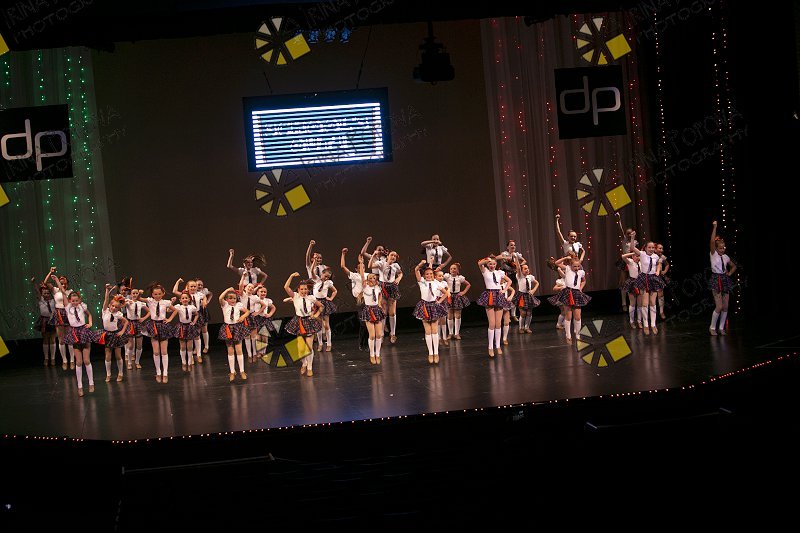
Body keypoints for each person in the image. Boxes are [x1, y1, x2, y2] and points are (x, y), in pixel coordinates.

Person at [283, 273, 324, 377]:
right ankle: (304, 363)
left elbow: (321, 306)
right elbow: (286, 287)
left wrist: (316, 315)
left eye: (305, 289)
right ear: (298, 290)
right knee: (301, 348)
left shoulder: (311, 297)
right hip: (299, 322)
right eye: (302, 289)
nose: (304, 291)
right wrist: (291, 276)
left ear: (308, 290)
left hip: (309, 322)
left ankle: (310, 367)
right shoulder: (295, 296)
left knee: (309, 347)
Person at [413, 261, 449, 364]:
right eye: (427, 274)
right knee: (428, 331)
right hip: (424, 306)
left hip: (433, 306)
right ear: (424, 275)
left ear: (433, 275)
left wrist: (440, 301)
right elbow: (416, 270)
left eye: (431, 274)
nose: (429, 275)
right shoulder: (422, 282)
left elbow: (446, 293)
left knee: (434, 330)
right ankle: (430, 353)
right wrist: (420, 264)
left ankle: (436, 353)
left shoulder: (436, 283)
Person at [548, 256, 591, 343]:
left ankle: (578, 335)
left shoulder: (581, 272)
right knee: (568, 316)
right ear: (571, 265)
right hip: (568, 293)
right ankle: (568, 335)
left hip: (576, 293)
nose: (576, 268)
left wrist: (580, 288)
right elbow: (556, 263)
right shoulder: (567, 269)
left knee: (578, 317)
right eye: (575, 266)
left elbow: (583, 281)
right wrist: (565, 258)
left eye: (578, 266)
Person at [63, 291, 98, 397]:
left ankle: (91, 383)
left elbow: (89, 314)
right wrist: (58, 283)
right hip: (74, 333)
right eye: (73, 301)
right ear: (69, 301)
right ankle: (80, 386)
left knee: (86, 360)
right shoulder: (68, 308)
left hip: (83, 331)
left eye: (76, 300)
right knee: (78, 362)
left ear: (79, 300)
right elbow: (63, 292)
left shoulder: (82, 306)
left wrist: (90, 323)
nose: (74, 302)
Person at [476, 256, 513, 357]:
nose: (492, 265)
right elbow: (479, 263)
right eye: (490, 264)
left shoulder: (499, 272)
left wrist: (504, 290)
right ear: (487, 264)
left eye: (493, 264)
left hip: (498, 295)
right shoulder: (485, 271)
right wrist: (487, 260)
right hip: (490, 295)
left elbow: (509, 281)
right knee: (492, 323)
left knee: (498, 324)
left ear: (496, 264)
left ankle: (498, 346)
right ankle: (490, 347)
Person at [141, 283, 177, 383]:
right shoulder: (150, 301)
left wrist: (169, 319)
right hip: (153, 326)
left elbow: (175, 310)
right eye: (155, 294)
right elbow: (140, 299)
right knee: (156, 352)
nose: (157, 296)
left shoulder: (165, 302)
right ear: (152, 294)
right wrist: (139, 294)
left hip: (163, 326)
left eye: (159, 294)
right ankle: (158, 372)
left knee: (164, 351)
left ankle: (165, 373)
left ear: (163, 293)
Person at [630, 239, 665, 335]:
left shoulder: (656, 256)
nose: (651, 249)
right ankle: (646, 325)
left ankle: (653, 324)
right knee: (645, 303)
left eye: (653, 247)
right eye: (649, 247)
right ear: (645, 248)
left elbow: (658, 263)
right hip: (644, 278)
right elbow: (632, 248)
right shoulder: (642, 254)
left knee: (653, 302)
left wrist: (658, 271)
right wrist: (632, 238)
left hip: (653, 278)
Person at [708, 221, 737, 335]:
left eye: (724, 248)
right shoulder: (713, 254)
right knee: (719, 306)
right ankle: (712, 327)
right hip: (716, 279)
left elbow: (734, 266)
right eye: (720, 248)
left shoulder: (726, 257)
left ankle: (721, 328)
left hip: (725, 279)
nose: (723, 249)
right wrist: (715, 227)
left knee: (725, 306)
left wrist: (729, 273)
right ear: (716, 248)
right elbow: (712, 241)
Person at [369, 250, 403, 343]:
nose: (393, 257)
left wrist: (398, 278)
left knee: (392, 312)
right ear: (387, 256)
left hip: (392, 287)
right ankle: (382, 333)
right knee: (383, 311)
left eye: (395, 256)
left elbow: (400, 273)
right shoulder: (382, 263)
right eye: (392, 255)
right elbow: (370, 266)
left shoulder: (396, 265)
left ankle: (393, 333)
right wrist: (373, 255)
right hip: (383, 287)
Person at [97, 285, 129, 382]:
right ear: (109, 305)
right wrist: (107, 290)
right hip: (107, 334)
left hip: (115, 335)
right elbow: (106, 299)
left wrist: (122, 331)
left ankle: (120, 373)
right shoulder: (105, 311)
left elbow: (126, 322)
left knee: (118, 355)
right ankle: (108, 374)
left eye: (116, 307)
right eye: (112, 306)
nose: (114, 308)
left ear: (119, 308)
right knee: (108, 355)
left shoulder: (118, 314)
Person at [218, 287, 250, 381]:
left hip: (237, 328)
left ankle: (242, 371)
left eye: (234, 298)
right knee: (230, 350)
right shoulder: (225, 305)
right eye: (230, 298)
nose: (232, 300)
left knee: (239, 350)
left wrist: (243, 316)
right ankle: (232, 371)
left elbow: (247, 311)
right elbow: (220, 298)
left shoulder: (239, 305)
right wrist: (227, 290)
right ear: (227, 299)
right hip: (228, 328)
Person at [47, 269, 76, 369]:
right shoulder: (55, 290)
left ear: (67, 283)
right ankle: (64, 360)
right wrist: (51, 273)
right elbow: (45, 283)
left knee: (70, 337)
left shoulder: (70, 292)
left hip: (67, 313)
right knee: (61, 338)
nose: (63, 284)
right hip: (59, 313)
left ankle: (72, 360)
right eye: (61, 282)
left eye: (64, 282)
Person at [341, 247, 368, 350]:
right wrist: (343, 254)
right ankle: (361, 343)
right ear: (356, 269)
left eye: (363, 267)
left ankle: (368, 342)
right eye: (360, 267)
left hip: (368, 300)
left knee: (369, 322)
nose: (362, 269)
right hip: (360, 300)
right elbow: (343, 266)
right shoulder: (354, 275)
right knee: (363, 322)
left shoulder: (368, 275)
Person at [359, 262, 386, 364]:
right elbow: (362, 276)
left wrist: (379, 303)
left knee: (379, 334)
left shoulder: (378, 287)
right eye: (370, 278)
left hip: (376, 309)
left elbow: (380, 295)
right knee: (372, 335)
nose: (372, 279)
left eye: (374, 278)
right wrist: (361, 263)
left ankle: (377, 354)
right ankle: (371, 354)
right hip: (369, 310)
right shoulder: (365, 287)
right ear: (367, 280)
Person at [31, 277, 56, 366]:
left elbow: (52, 291)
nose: (46, 294)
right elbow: (37, 291)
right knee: (45, 339)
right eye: (44, 293)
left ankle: (53, 358)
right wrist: (34, 283)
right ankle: (46, 358)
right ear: (42, 294)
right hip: (44, 320)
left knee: (52, 339)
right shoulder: (41, 300)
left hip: (52, 320)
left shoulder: (53, 300)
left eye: (48, 293)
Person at [172, 291, 200, 372]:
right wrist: (172, 302)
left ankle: (189, 362)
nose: (184, 299)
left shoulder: (192, 307)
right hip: (182, 327)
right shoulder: (178, 307)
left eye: (186, 298)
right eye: (183, 298)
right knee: (183, 346)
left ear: (189, 299)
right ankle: (183, 362)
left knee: (190, 346)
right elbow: (168, 310)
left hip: (189, 327)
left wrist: (194, 321)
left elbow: (197, 314)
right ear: (180, 300)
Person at [312, 268, 338, 352]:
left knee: (326, 325)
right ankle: (320, 343)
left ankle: (329, 344)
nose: (326, 278)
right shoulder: (316, 279)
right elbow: (312, 271)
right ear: (321, 274)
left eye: (328, 277)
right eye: (325, 276)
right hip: (316, 303)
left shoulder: (328, 283)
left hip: (324, 303)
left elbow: (335, 291)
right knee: (318, 325)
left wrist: (331, 298)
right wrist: (314, 262)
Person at [443, 263, 471, 341]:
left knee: (457, 315)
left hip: (457, 296)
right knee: (449, 315)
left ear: (458, 270)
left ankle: (457, 333)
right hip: (449, 296)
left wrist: (463, 292)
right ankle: (450, 333)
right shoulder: (447, 277)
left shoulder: (460, 278)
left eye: (455, 269)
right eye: (451, 269)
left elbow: (468, 284)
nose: (453, 270)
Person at [124, 287, 148, 369]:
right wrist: (126, 302)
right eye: (133, 293)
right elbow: (121, 304)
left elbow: (149, 311)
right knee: (130, 345)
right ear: (130, 295)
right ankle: (129, 362)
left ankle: (137, 362)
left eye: (136, 293)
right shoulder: (128, 302)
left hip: (138, 323)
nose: (135, 295)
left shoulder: (140, 303)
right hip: (130, 323)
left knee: (139, 345)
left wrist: (143, 318)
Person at [514, 261, 540, 334]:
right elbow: (518, 268)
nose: (527, 270)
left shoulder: (530, 277)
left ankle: (527, 327)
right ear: (521, 270)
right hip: (521, 295)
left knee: (529, 313)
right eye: (525, 269)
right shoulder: (519, 276)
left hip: (528, 295)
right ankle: (521, 327)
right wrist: (516, 258)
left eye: (527, 268)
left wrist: (533, 290)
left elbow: (537, 283)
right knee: (523, 313)